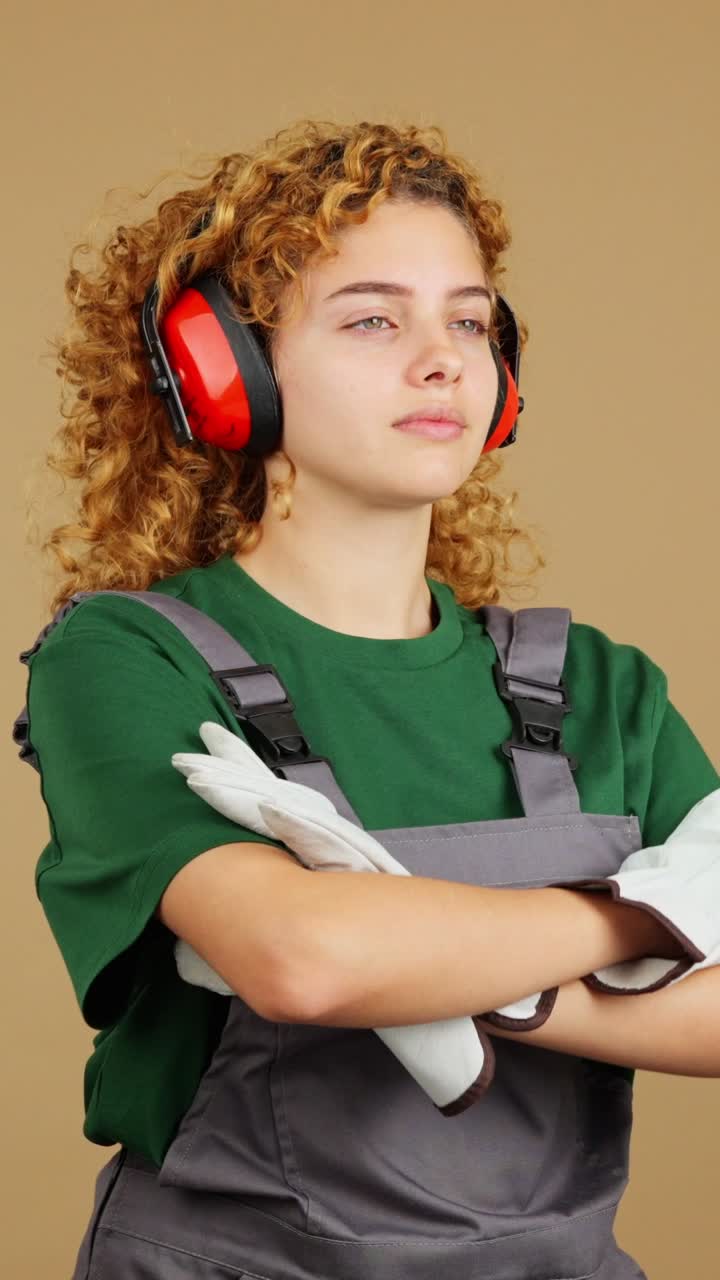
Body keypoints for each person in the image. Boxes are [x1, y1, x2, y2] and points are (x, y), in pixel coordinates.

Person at [17, 118, 719, 1280]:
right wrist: (648, 915)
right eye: (373, 319)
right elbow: (307, 961)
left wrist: (503, 991)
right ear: (224, 371)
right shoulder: (125, 657)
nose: (441, 356)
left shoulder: (598, 682)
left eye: (470, 320)